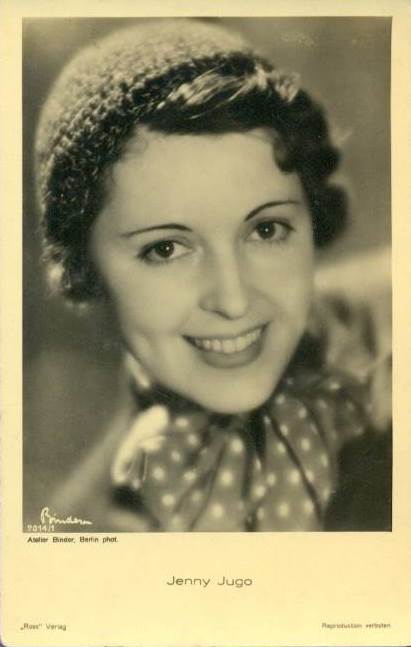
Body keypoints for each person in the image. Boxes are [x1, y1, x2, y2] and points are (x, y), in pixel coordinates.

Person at [34, 18, 391, 532]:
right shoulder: (82, 530)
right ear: (86, 269)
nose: (233, 299)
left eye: (266, 230)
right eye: (166, 249)